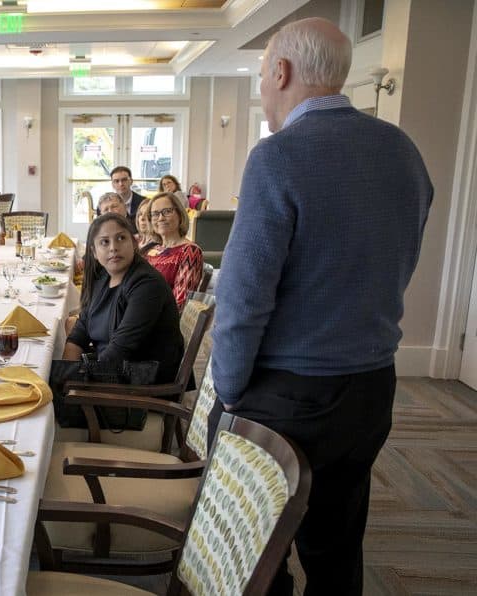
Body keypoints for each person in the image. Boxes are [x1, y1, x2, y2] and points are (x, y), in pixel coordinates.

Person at [209, 18, 432, 596]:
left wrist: (228, 392)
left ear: (280, 72)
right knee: (337, 543)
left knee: (256, 549)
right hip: (372, 387)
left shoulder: (277, 157)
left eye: (261, 77)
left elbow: (242, 298)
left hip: (288, 395)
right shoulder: (403, 151)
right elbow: (402, 257)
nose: (262, 91)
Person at [64, 213, 183, 384]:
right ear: (94, 252)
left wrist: (75, 384)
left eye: (121, 238)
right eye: (104, 242)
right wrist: (66, 375)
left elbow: (119, 351)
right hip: (113, 373)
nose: (113, 247)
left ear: (134, 243)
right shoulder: (104, 277)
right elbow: (78, 335)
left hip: (140, 387)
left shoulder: (147, 285)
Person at [142, 192, 203, 309]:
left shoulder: (190, 251)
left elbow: (181, 303)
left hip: (162, 321)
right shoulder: (150, 250)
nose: (160, 218)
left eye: (167, 211)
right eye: (155, 214)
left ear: (180, 215)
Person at [96, 166, 145, 232]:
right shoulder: (102, 205)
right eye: (116, 181)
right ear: (112, 184)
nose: (121, 184)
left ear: (131, 181)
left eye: (124, 180)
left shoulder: (143, 203)